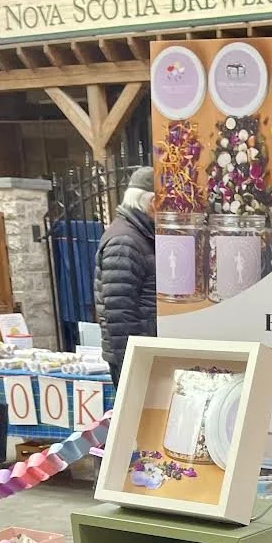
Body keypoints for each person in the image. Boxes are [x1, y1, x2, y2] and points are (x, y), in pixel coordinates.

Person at [94, 166, 155, 387]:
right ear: (153, 204)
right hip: (134, 358)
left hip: (142, 353)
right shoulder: (125, 241)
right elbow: (119, 314)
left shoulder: (138, 235)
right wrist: (133, 365)